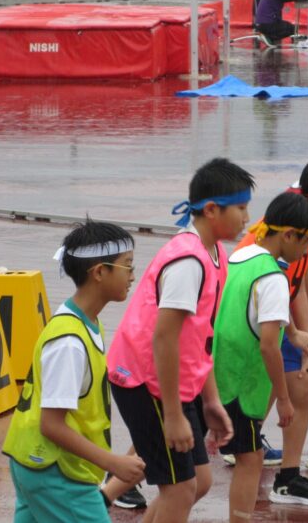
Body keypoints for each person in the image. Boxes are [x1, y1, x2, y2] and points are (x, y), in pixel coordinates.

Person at [107, 158, 255, 523]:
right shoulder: (187, 261)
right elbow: (164, 338)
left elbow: (199, 337)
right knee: (180, 489)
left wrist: (211, 400)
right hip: (146, 381)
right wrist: (173, 416)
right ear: (210, 209)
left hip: (173, 383)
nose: (247, 217)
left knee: (199, 482)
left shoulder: (216, 254)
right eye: (240, 208)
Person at [3, 220, 146, 523]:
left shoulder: (83, 321)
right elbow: (51, 425)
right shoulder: (70, 341)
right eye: (127, 266)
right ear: (99, 273)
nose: (133, 276)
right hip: (57, 473)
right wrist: (113, 463)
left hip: (36, 463)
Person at [213, 192, 308, 522]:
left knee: (171, 446)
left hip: (212, 372)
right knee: (251, 459)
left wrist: (292, 332)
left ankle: (116, 483)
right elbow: (267, 347)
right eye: (307, 242)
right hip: (241, 384)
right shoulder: (274, 278)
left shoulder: (241, 257)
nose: (307, 251)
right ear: (289, 235)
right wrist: (285, 400)